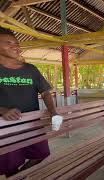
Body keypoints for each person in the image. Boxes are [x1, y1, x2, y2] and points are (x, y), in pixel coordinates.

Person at [0, 27, 58, 177]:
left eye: (16, 43)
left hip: (32, 124)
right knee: (11, 165)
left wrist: (53, 113)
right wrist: (3, 110)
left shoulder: (30, 69)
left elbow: (45, 92)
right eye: (8, 42)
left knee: (42, 154)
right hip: (6, 127)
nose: (15, 46)